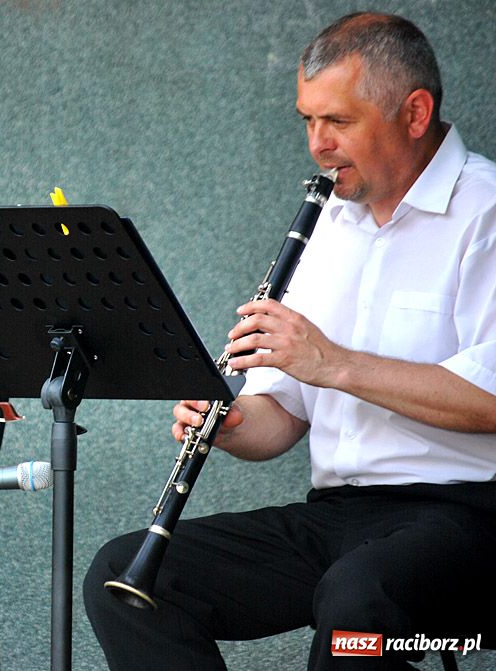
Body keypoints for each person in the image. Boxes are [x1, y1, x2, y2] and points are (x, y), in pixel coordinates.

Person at [84, 12, 496, 670]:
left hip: (468, 515)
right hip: (339, 517)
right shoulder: (333, 220)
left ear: (414, 113)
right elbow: (283, 418)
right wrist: (231, 422)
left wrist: (331, 361)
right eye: (307, 120)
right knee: (127, 581)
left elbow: (490, 398)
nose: (317, 144)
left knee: (355, 602)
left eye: (337, 120)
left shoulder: (486, 211)